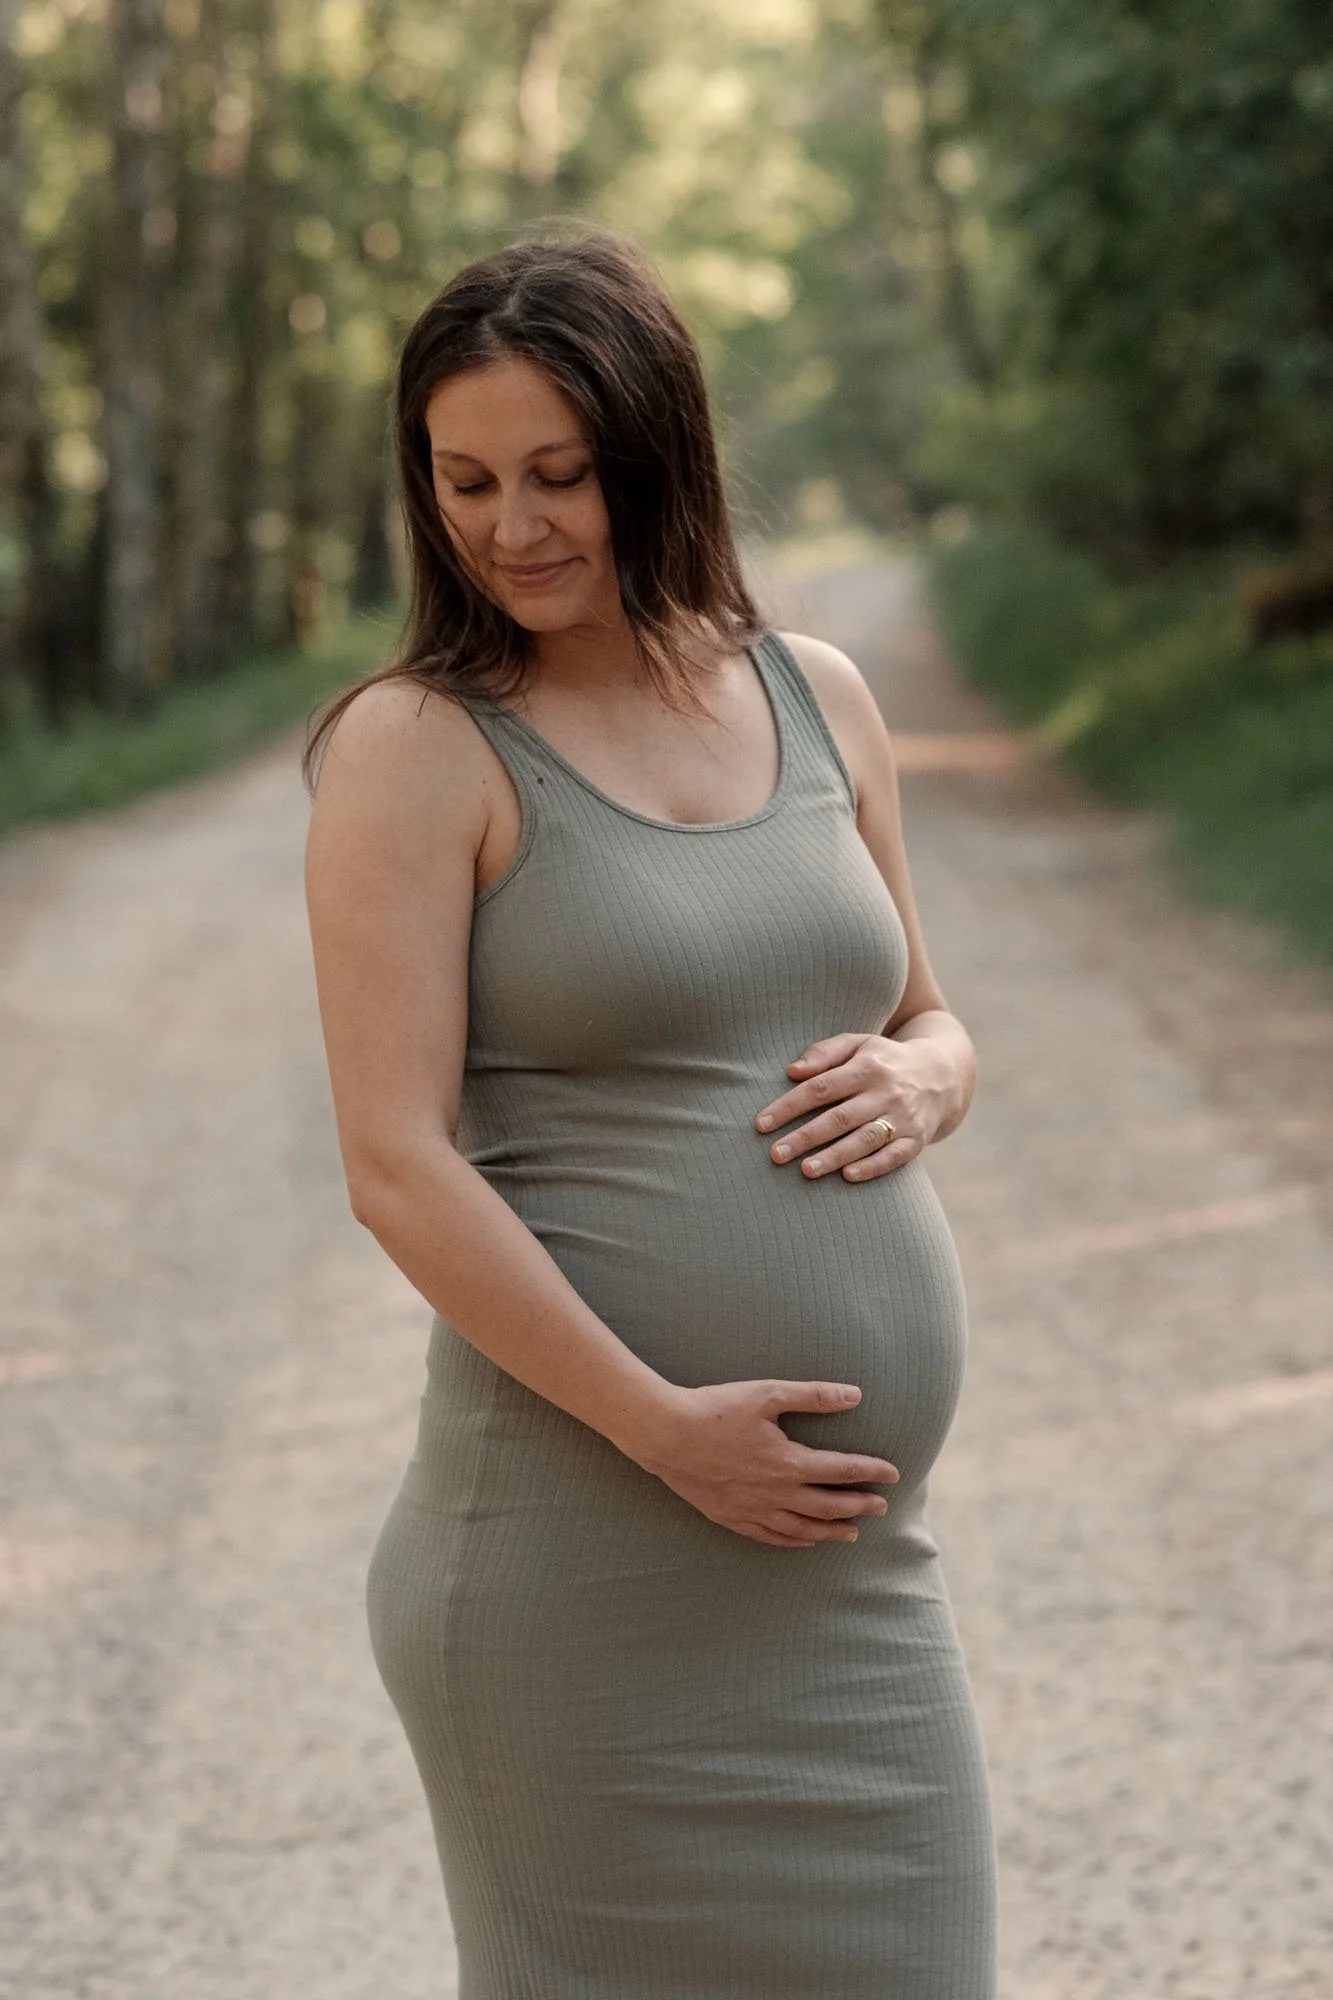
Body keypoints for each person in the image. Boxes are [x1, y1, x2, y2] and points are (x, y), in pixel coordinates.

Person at [302, 227, 997, 1999]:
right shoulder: (419, 746)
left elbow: (923, 1010)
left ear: (658, 452)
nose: (511, 526)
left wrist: (930, 1073)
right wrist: (662, 1426)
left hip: (848, 1590)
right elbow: (395, 1163)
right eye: (465, 480)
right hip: (574, 1559)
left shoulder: (817, 696)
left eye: (560, 474)